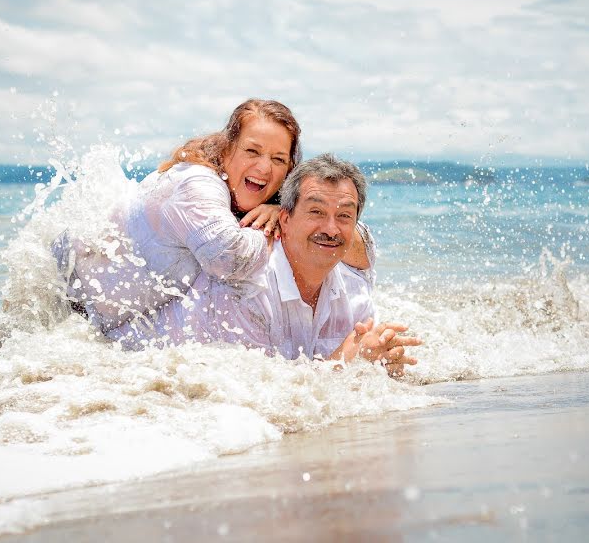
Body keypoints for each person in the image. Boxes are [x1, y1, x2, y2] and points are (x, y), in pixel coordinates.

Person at [111, 154, 421, 376]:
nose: (330, 228)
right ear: (284, 220)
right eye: (315, 212)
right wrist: (350, 361)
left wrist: (383, 360)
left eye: (344, 216)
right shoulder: (247, 289)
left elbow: (339, 365)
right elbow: (274, 397)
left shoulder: (353, 292)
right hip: (123, 354)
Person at [54, 99, 305, 335]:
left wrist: (281, 209)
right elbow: (227, 259)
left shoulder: (236, 189)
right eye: (252, 151)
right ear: (226, 148)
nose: (264, 167)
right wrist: (268, 228)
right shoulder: (195, 182)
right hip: (61, 289)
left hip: (94, 313)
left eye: (278, 159)